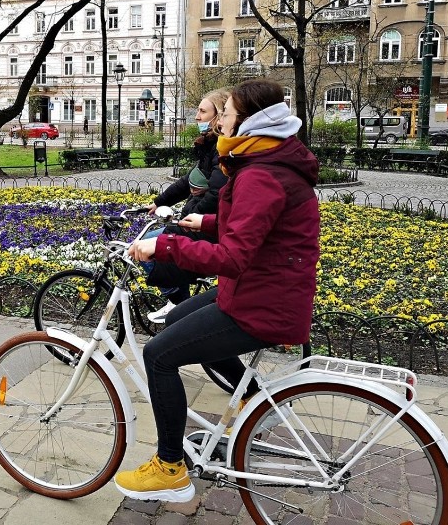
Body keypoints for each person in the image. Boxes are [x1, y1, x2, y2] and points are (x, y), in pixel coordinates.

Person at [114, 78, 320, 503]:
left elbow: (232, 257)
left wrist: (165, 245)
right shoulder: (266, 163)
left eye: (225, 113)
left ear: (249, 122)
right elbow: (259, 229)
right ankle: (250, 402)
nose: (220, 120)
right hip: (261, 289)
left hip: (263, 301)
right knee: (174, 319)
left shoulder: (261, 173)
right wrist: (204, 223)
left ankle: (170, 467)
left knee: (158, 356)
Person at [143, 89, 230, 323]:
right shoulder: (209, 146)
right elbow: (188, 181)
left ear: (218, 116)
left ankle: (178, 305)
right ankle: (179, 304)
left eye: (203, 111)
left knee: (149, 246)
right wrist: (160, 202)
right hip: (202, 222)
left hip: (209, 229)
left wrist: (191, 218)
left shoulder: (221, 148)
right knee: (154, 240)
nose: (197, 117)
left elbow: (215, 194)